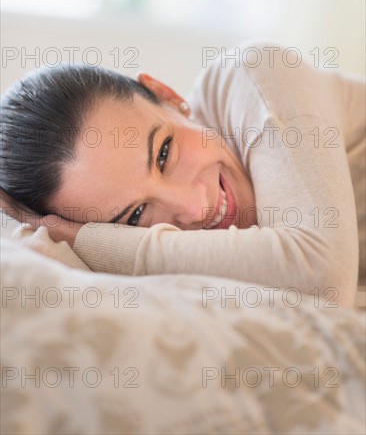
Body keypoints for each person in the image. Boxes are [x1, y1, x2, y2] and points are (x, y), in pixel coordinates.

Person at [1, 42, 365, 307]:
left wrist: (82, 238)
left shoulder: (256, 75)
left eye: (163, 154)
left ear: (167, 94)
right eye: (136, 215)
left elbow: (322, 277)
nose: (195, 208)